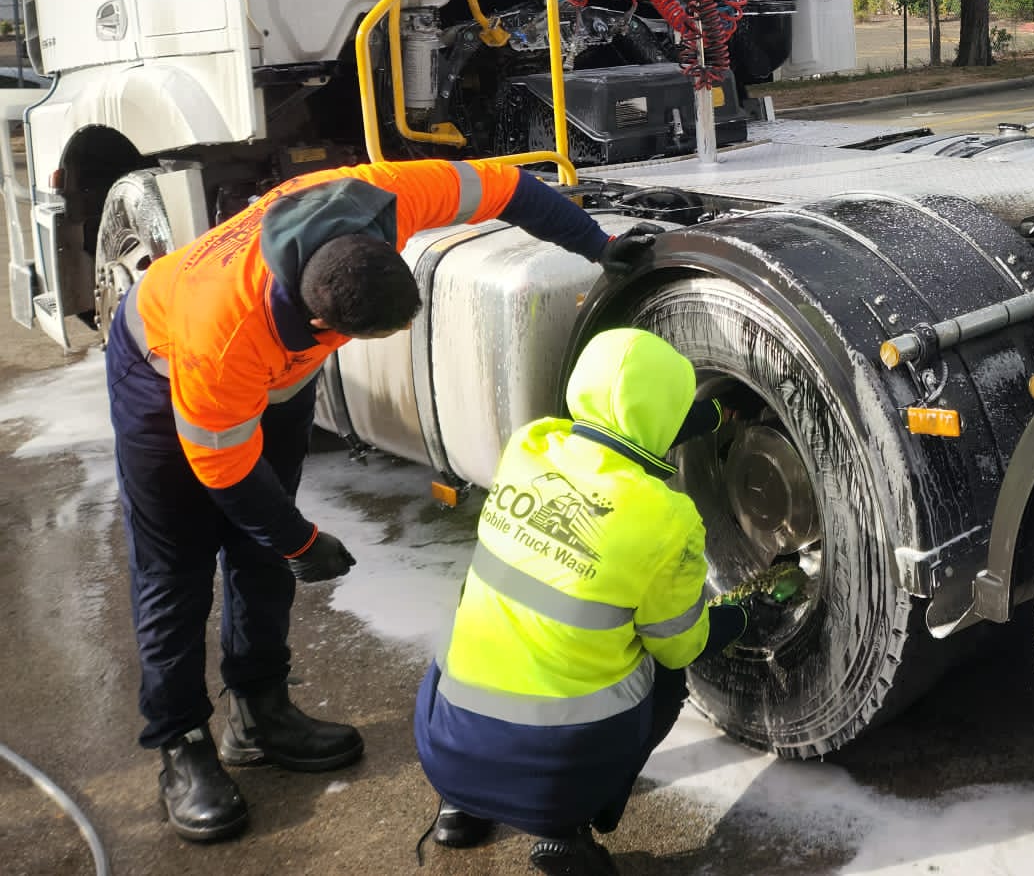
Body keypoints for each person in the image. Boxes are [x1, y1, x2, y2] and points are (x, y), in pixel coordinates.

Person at [107, 156, 651, 844]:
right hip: (159, 369)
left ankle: (260, 709)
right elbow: (227, 476)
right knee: (177, 567)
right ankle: (181, 745)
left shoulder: (380, 199)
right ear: (317, 314)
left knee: (259, 556)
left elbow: (508, 187)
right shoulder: (225, 336)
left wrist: (598, 246)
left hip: (275, 377)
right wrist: (302, 541)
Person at [415, 328, 793, 876]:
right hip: (557, 775)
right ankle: (568, 829)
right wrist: (745, 613)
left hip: (442, 749)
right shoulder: (665, 518)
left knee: (492, 615)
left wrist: (713, 416)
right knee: (663, 670)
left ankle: (461, 808)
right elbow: (681, 647)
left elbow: (615, 423)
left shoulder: (528, 447)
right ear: (665, 414)